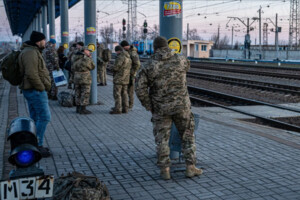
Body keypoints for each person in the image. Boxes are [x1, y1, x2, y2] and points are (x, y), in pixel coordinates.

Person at [135, 36, 202, 180]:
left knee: (162, 139)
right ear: (168, 46)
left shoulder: (148, 65)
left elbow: (139, 89)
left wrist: (149, 105)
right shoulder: (181, 60)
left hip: (160, 108)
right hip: (182, 106)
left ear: (154, 48)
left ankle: (165, 170)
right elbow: (187, 67)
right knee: (188, 136)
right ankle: (190, 167)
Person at [18, 31, 52, 157]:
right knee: (45, 117)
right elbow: (31, 74)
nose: (45, 42)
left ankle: (34, 144)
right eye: (44, 40)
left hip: (32, 90)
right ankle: (37, 145)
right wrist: (41, 88)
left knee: (36, 117)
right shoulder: (30, 53)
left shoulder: (32, 51)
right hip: (35, 90)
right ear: (39, 41)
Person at [72, 46, 95, 114]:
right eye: (88, 51)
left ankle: (77, 108)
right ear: (84, 51)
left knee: (77, 92)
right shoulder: (86, 59)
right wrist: (90, 58)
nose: (89, 52)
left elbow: (72, 67)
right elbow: (92, 66)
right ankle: (83, 109)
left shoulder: (74, 57)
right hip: (85, 78)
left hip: (76, 77)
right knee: (85, 93)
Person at [110, 46, 131, 114]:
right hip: (126, 78)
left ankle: (118, 109)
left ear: (118, 51)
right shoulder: (128, 57)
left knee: (117, 94)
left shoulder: (121, 57)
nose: (116, 53)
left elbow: (116, 67)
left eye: (116, 51)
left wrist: (111, 67)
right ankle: (125, 108)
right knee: (124, 93)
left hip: (119, 78)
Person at [120, 40, 141, 110]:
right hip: (126, 74)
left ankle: (130, 106)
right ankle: (125, 105)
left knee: (130, 91)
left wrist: (132, 72)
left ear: (125, 46)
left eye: (123, 47)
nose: (123, 49)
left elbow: (137, 64)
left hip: (131, 75)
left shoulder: (133, 53)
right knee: (125, 90)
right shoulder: (128, 52)